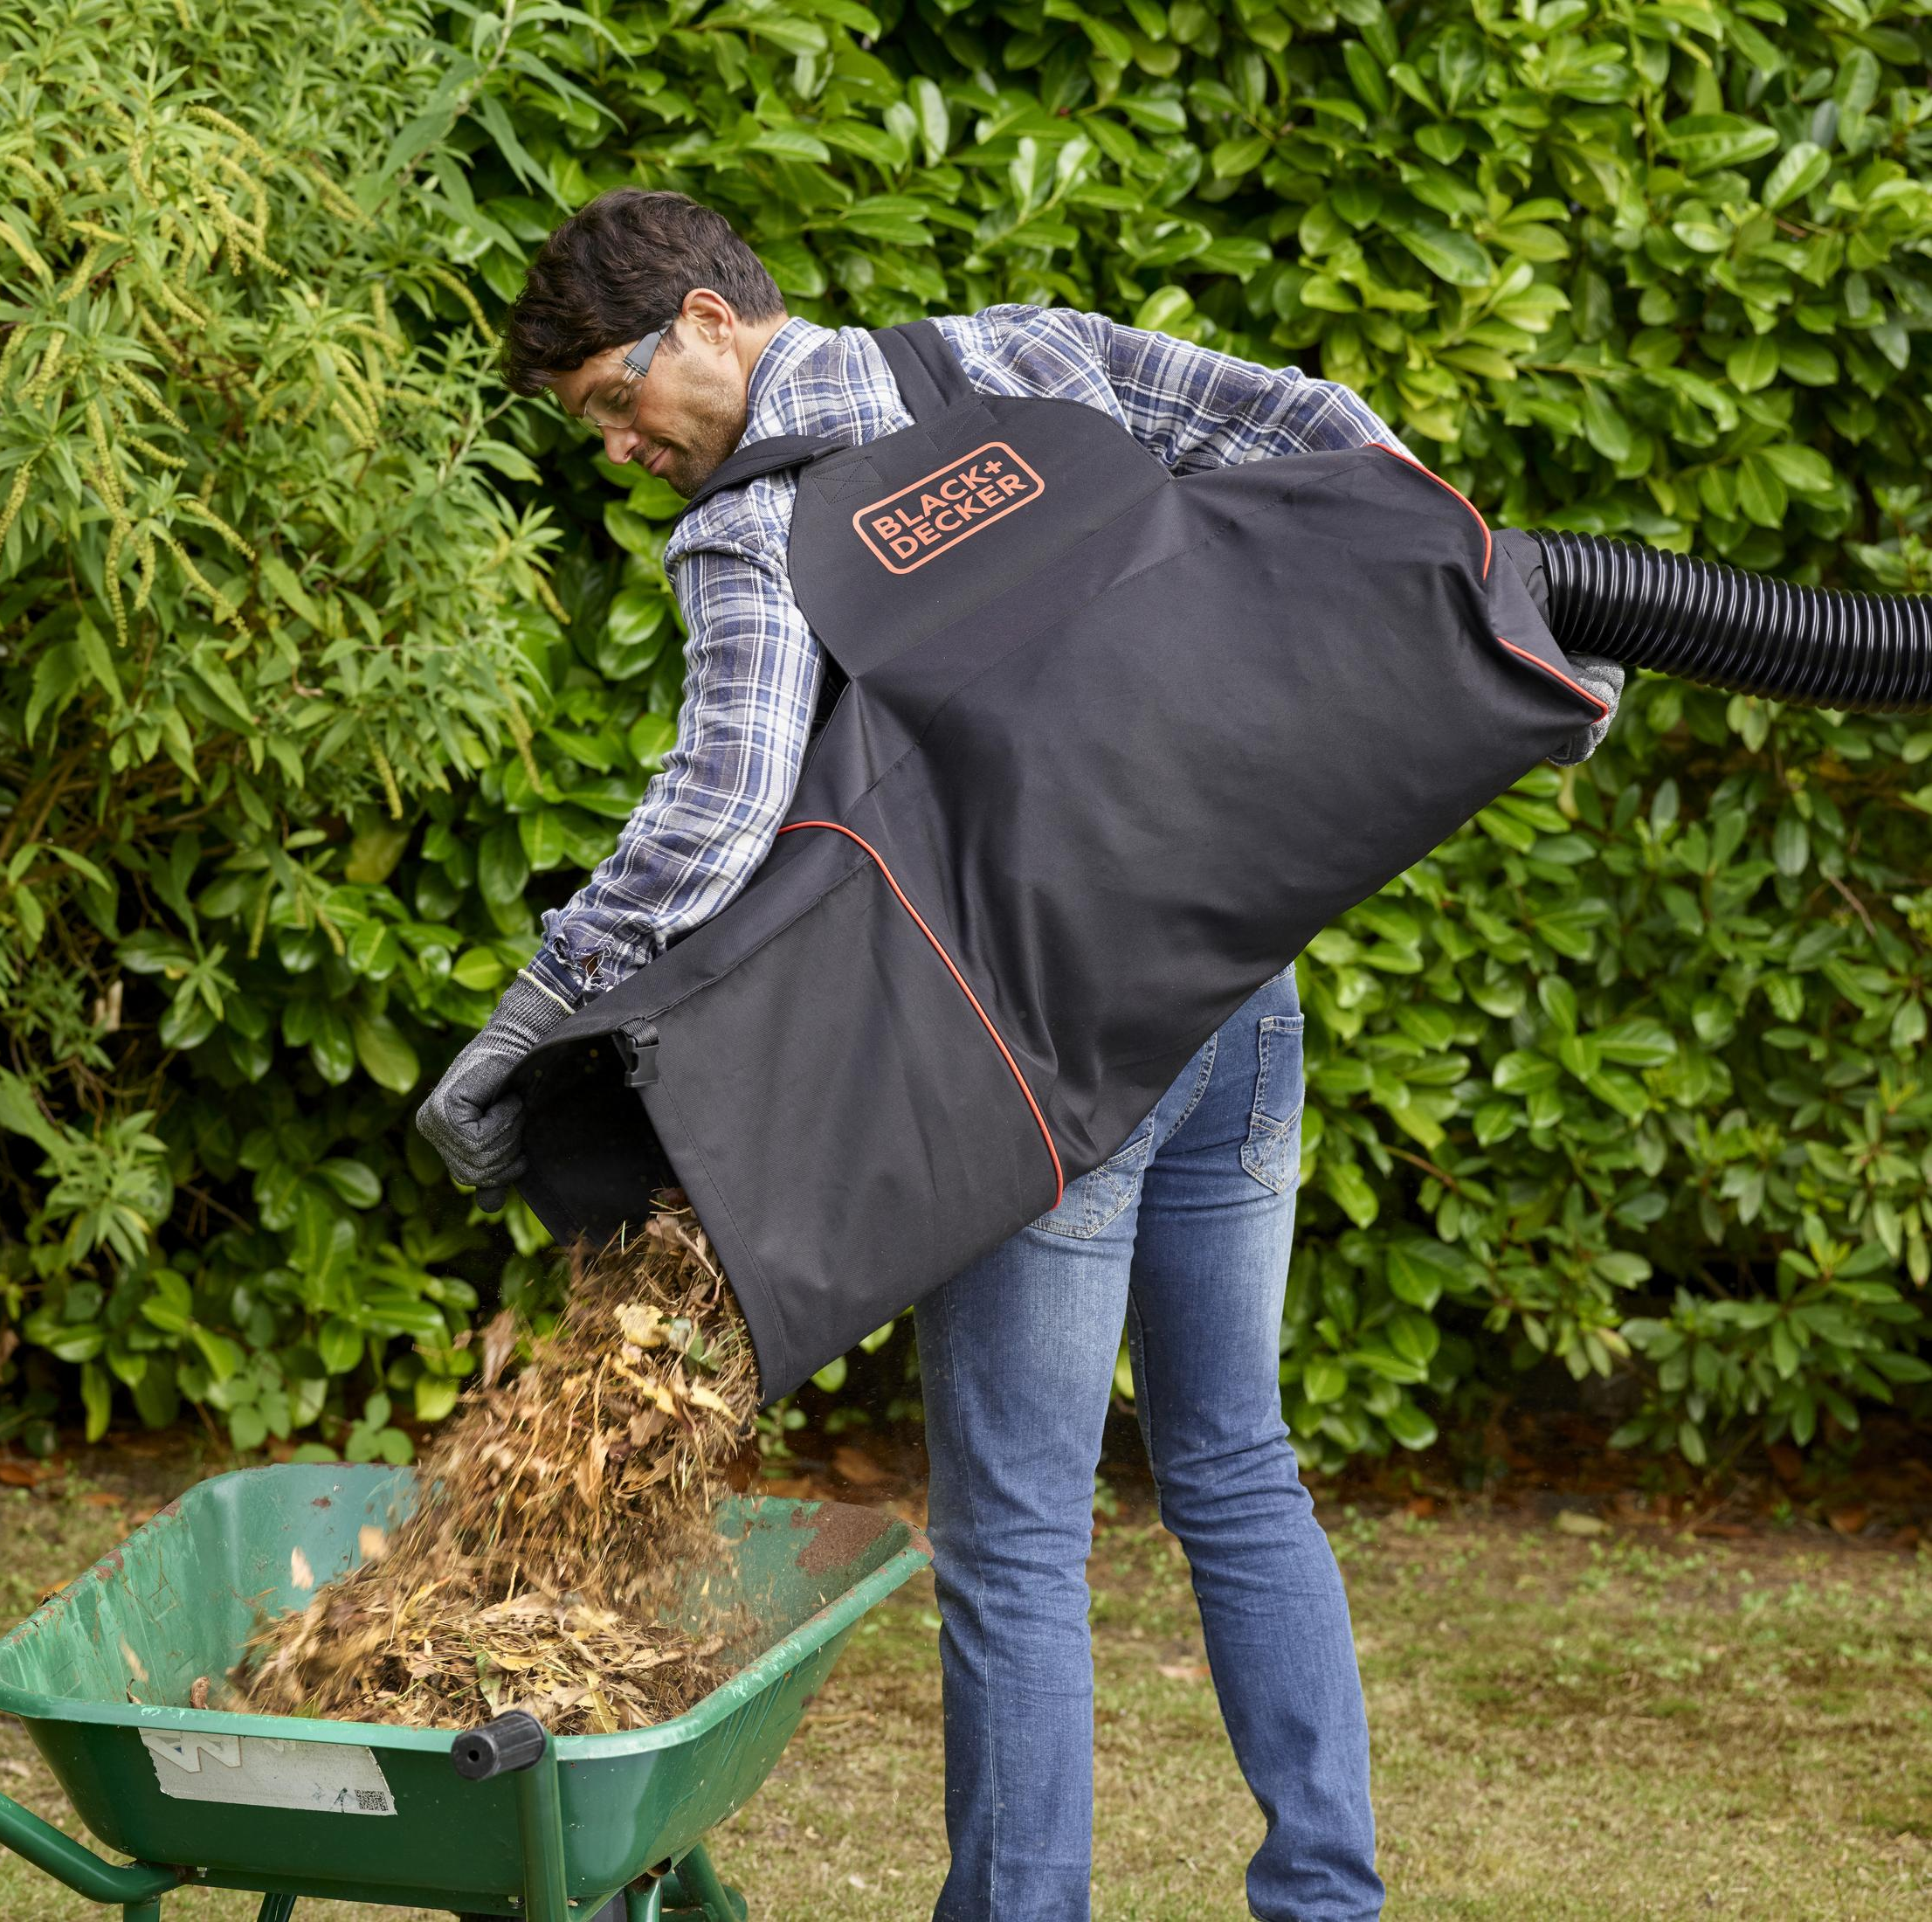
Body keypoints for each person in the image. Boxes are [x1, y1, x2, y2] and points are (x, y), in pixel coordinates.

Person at [418, 188, 1621, 1922]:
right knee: (1233, 1456)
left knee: (1015, 1529)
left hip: (1038, 1073)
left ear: (702, 320)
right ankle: (1329, 1900)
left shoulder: (755, 533)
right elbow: (1311, 429)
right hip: (1233, 1002)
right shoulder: (1020, 362)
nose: (619, 449)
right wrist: (1477, 611)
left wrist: (531, 1022)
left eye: (613, 401)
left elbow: (715, 818)